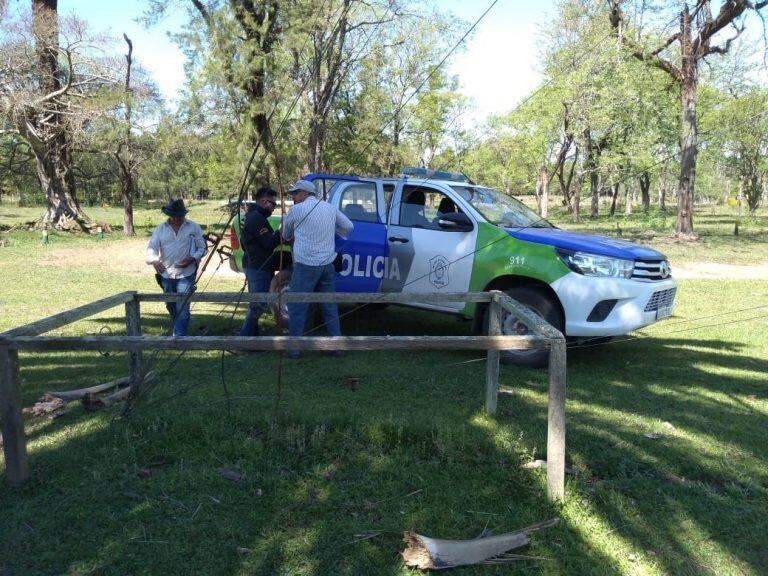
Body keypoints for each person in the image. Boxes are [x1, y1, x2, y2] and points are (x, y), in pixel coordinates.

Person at [280, 179, 354, 358]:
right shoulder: (329, 208)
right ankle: (336, 346)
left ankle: (294, 349)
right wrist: (334, 233)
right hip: (327, 264)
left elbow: (285, 234)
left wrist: (291, 235)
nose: (293, 197)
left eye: (295, 193)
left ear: (304, 193)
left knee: (297, 305)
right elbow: (349, 226)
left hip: (305, 264)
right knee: (329, 305)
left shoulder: (297, 210)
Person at [146, 198, 206, 337]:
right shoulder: (160, 229)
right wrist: (155, 261)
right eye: (174, 215)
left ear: (184, 215)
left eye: (180, 215)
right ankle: (179, 328)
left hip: (186, 273)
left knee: (183, 306)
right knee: (171, 305)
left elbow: (202, 248)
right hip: (166, 273)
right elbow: (152, 248)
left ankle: (179, 338)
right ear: (169, 215)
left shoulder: (193, 227)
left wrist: (192, 258)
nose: (177, 218)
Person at [240, 186, 281, 337]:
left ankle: (253, 336)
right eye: (273, 204)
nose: (273, 208)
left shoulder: (253, 215)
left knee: (257, 302)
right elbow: (269, 243)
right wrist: (281, 232)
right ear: (264, 201)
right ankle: (246, 338)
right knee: (258, 304)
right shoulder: (256, 218)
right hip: (258, 266)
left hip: (257, 263)